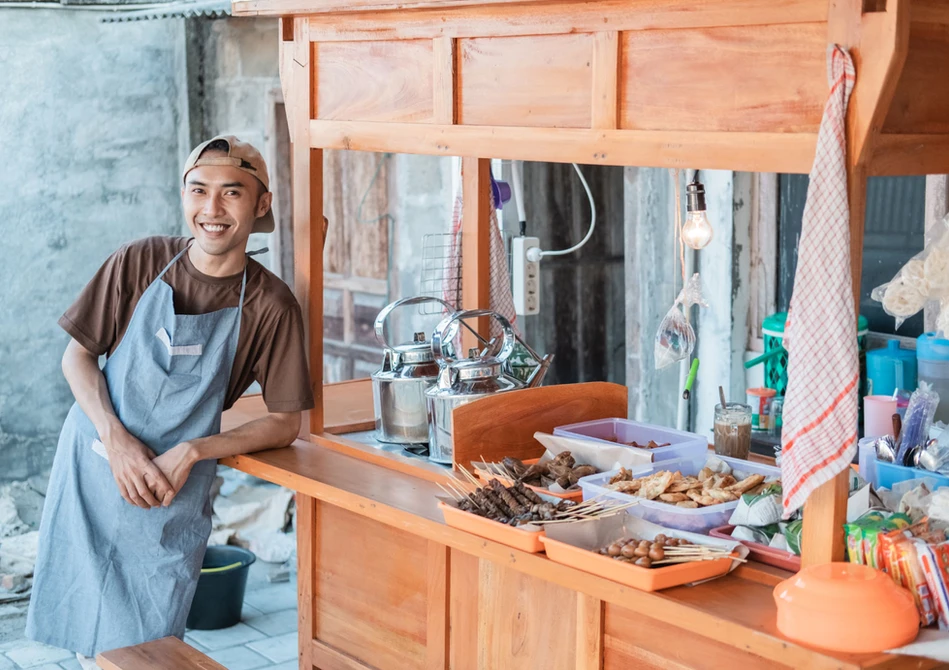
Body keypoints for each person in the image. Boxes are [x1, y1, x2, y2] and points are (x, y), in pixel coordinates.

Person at [25, 136, 313, 669]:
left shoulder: (271, 305)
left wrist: (194, 450)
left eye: (232, 192)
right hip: (94, 467)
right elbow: (77, 357)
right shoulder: (139, 261)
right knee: (87, 639)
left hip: (168, 489)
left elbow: (284, 422)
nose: (212, 208)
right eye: (198, 190)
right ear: (183, 195)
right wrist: (115, 438)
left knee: (150, 642)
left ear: (262, 204)